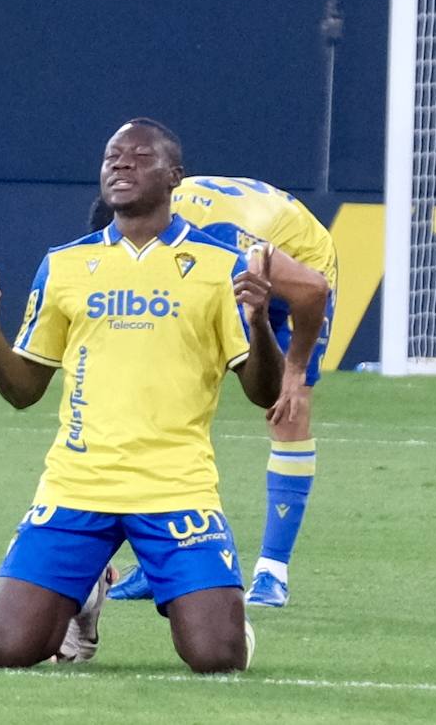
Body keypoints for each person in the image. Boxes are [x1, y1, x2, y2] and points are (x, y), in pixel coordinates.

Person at [0, 119, 285, 671]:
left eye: (139, 156)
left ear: (175, 176)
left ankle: (223, 620)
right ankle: (85, 593)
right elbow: (23, 392)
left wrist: (259, 322)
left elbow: (263, 392)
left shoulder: (217, 267)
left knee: (216, 658)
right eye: (113, 156)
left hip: (176, 488)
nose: (121, 164)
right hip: (78, 484)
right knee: (8, 651)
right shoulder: (64, 265)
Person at [105, 174, 335, 608]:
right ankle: (161, 562)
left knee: (288, 406)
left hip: (299, 262)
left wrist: (296, 369)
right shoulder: (136, 246)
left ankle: (272, 573)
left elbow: (313, 290)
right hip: (235, 244)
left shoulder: (222, 247)